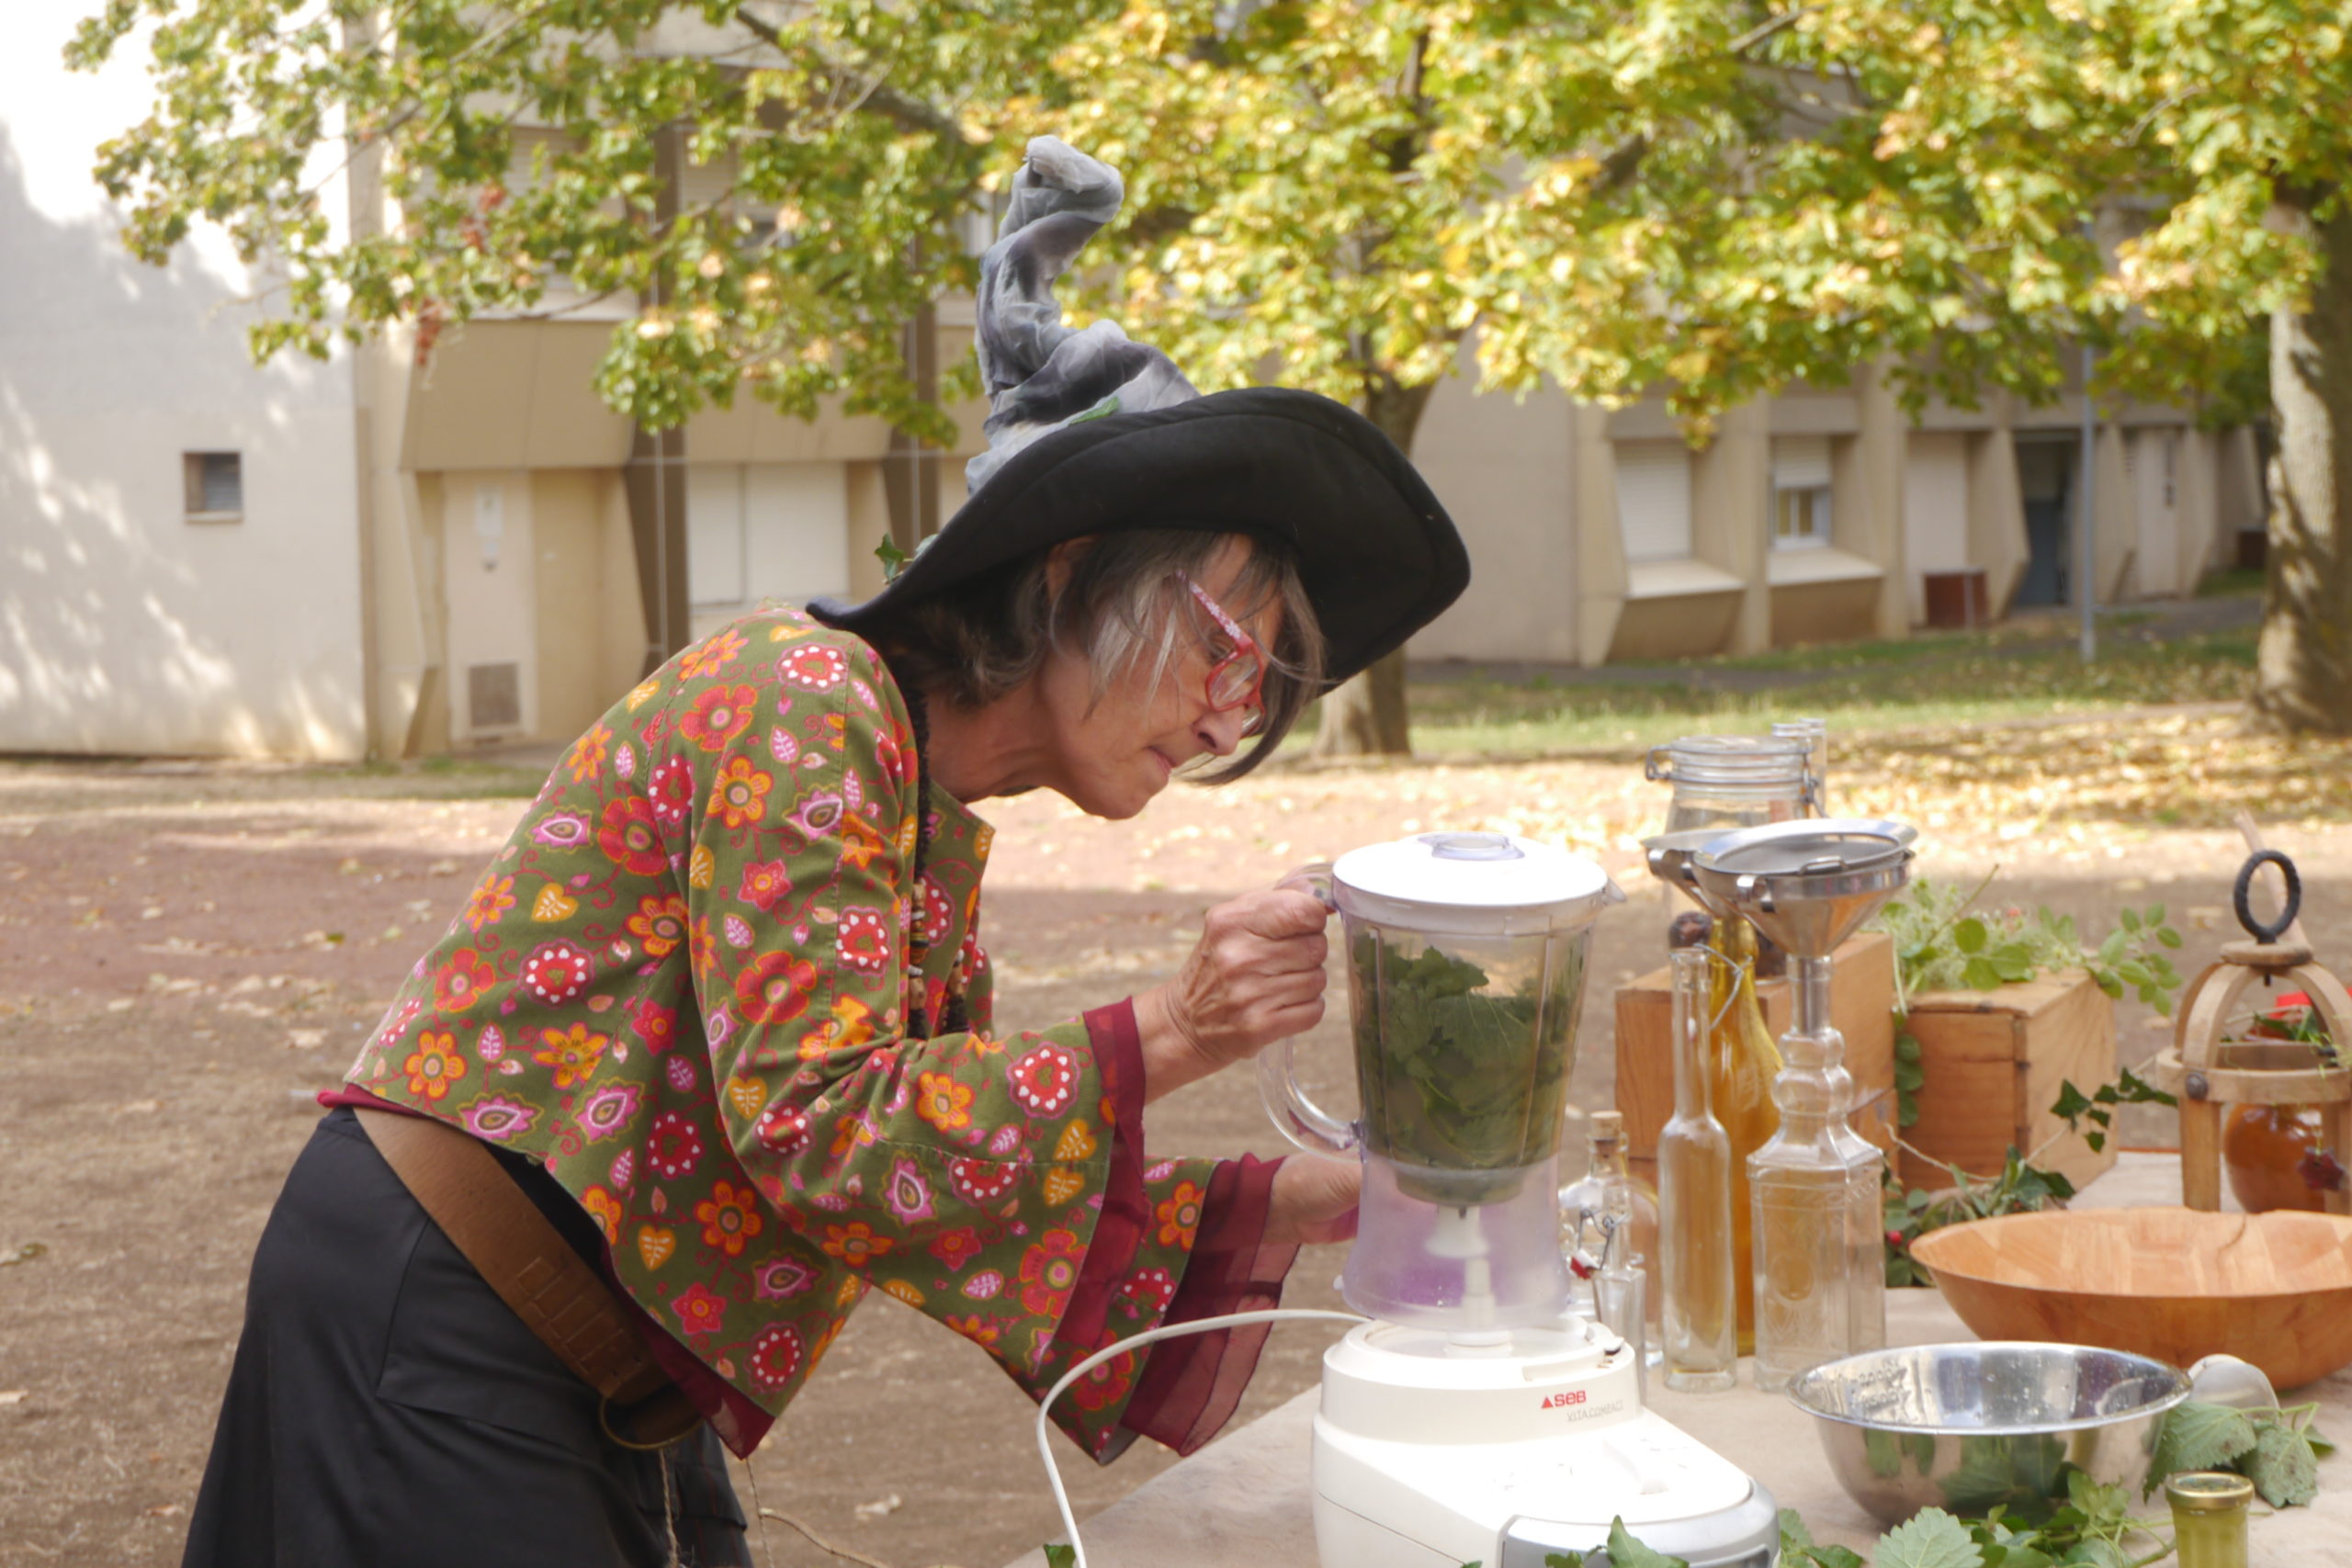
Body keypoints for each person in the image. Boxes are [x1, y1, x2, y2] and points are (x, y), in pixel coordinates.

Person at [181, 138, 1468, 1568]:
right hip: (439, 1326)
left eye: (1267, 690)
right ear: (1065, 573)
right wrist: (1174, 1028)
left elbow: (936, 1197)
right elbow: (828, 1128)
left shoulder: (918, 840)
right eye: (1226, 648)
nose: (1231, 714)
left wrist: (1312, 1198)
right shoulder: (805, 701)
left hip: (585, 1369)